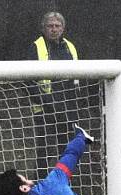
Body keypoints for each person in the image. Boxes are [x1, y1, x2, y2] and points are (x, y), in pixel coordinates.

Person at [27, 11, 81, 175]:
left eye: (57, 26)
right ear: (44, 28)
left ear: (63, 28)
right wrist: (45, 100)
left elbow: (76, 78)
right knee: (45, 151)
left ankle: (65, 186)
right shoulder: (36, 47)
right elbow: (28, 81)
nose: (54, 29)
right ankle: (39, 187)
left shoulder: (70, 47)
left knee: (66, 151)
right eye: (50, 26)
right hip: (45, 109)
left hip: (67, 108)